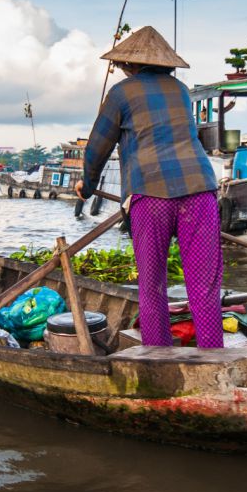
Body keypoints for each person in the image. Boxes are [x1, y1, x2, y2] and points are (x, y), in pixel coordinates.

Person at [76, 26, 223, 348]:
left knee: (152, 283)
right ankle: (213, 353)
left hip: (151, 194)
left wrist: (86, 187)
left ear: (130, 65)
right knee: (204, 283)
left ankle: (158, 352)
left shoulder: (121, 92)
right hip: (200, 190)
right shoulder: (181, 90)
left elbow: (98, 146)